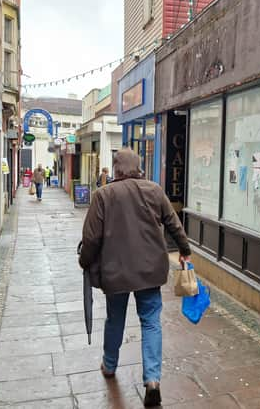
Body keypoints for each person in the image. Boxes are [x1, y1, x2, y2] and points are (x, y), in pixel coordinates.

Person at [79, 148, 191, 407]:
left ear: (116, 169)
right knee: (151, 322)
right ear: (139, 167)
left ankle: (109, 365)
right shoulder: (154, 190)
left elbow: (91, 238)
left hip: (115, 272)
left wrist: (84, 261)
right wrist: (184, 250)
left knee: (115, 319)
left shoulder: (103, 195)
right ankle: (152, 380)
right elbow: (174, 224)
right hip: (150, 270)